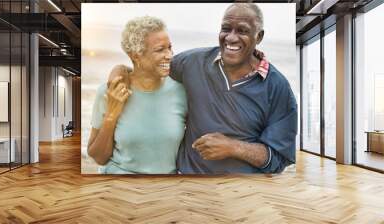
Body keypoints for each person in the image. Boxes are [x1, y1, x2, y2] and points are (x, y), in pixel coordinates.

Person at [112, 3, 298, 174]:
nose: (231, 37)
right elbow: (149, 68)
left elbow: (280, 158)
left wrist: (233, 147)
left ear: (259, 36)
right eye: (226, 29)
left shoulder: (278, 88)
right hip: (187, 182)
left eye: (242, 31)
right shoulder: (193, 62)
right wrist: (119, 70)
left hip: (243, 193)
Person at [87, 16, 187, 174]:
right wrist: (111, 115)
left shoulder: (181, 91)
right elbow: (99, 157)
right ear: (136, 56)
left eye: (170, 47)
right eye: (160, 49)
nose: (169, 55)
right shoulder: (110, 92)